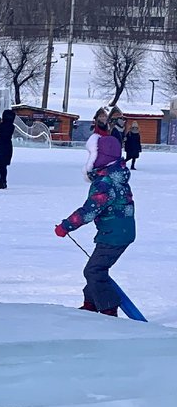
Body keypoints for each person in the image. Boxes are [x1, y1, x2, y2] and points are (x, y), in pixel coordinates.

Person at [54, 107, 135, 316]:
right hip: (119, 231)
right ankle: (91, 304)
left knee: (94, 270)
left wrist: (66, 226)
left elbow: (90, 210)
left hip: (114, 235)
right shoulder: (116, 176)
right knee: (96, 269)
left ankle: (107, 309)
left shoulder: (105, 182)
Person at [0, 108, 14, 189]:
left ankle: (2, 182)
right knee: (3, 166)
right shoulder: (11, 126)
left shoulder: (3, 125)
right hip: (7, 146)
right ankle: (3, 181)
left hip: (1, 146)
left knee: (2, 166)